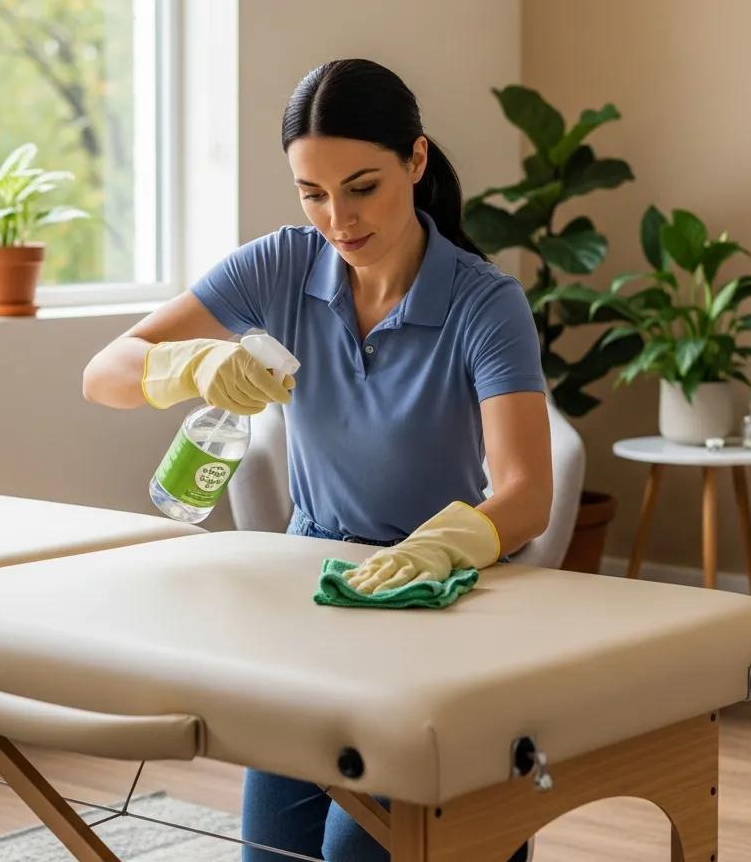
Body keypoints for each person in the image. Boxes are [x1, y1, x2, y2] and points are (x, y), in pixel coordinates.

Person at [82, 58, 552, 861]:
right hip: (315, 595)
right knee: (273, 855)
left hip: (437, 605)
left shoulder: (484, 303)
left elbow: (527, 492)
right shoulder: (282, 265)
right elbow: (104, 374)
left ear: (416, 160)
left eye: (362, 186)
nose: (338, 217)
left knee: (357, 851)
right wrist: (189, 365)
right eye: (313, 192)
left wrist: (442, 546)